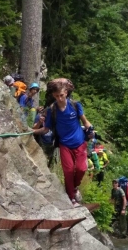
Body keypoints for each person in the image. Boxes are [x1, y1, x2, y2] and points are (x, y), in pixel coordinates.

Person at [32, 79, 94, 207]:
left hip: (80, 142)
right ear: (53, 95)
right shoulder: (51, 110)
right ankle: (71, 198)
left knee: (81, 168)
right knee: (68, 171)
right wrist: (31, 131)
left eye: (61, 95)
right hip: (64, 144)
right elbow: (46, 129)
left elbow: (85, 121)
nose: (59, 98)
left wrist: (90, 129)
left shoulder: (75, 105)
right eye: (56, 96)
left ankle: (75, 187)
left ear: (66, 92)